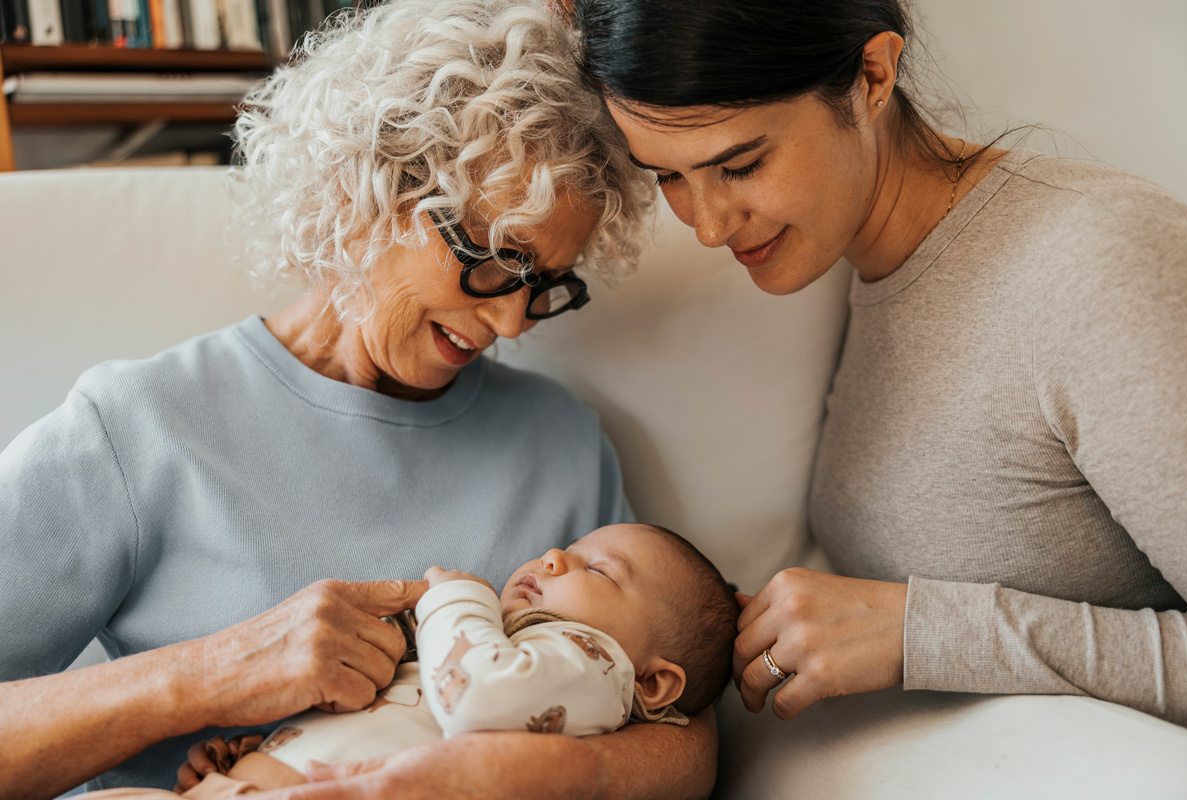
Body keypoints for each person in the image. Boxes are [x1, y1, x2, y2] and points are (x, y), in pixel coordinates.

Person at [0, 2, 729, 798]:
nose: (513, 319)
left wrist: (506, 774)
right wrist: (209, 674)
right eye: (492, 260)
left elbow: (682, 734)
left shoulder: (559, 443)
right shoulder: (136, 427)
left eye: (546, 284)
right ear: (365, 197)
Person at [572, 0, 1187, 731]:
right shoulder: (861, 270)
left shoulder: (1096, 263)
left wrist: (925, 633)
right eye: (667, 179)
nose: (708, 226)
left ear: (873, 75)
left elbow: (927, 626)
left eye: (740, 164)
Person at [85, 523, 738, 798]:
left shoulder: (596, 664)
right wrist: (260, 753)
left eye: (598, 568)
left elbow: (478, 697)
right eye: (566, 547)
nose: (552, 558)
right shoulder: (505, 647)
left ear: (653, 681)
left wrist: (458, 596)